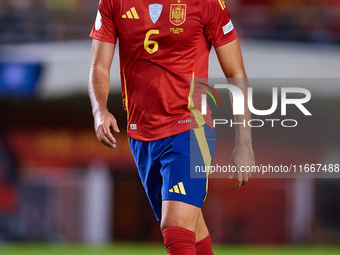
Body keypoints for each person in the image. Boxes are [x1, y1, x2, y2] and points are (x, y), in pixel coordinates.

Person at [88, 0, 255, 254]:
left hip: (190, 127)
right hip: (141, 135)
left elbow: (236, 73)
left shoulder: (207, 3)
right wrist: (99, 109)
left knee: (175, 226)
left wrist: (244, 143)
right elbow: (98, 66)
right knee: (192, 231)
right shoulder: (113, 2)